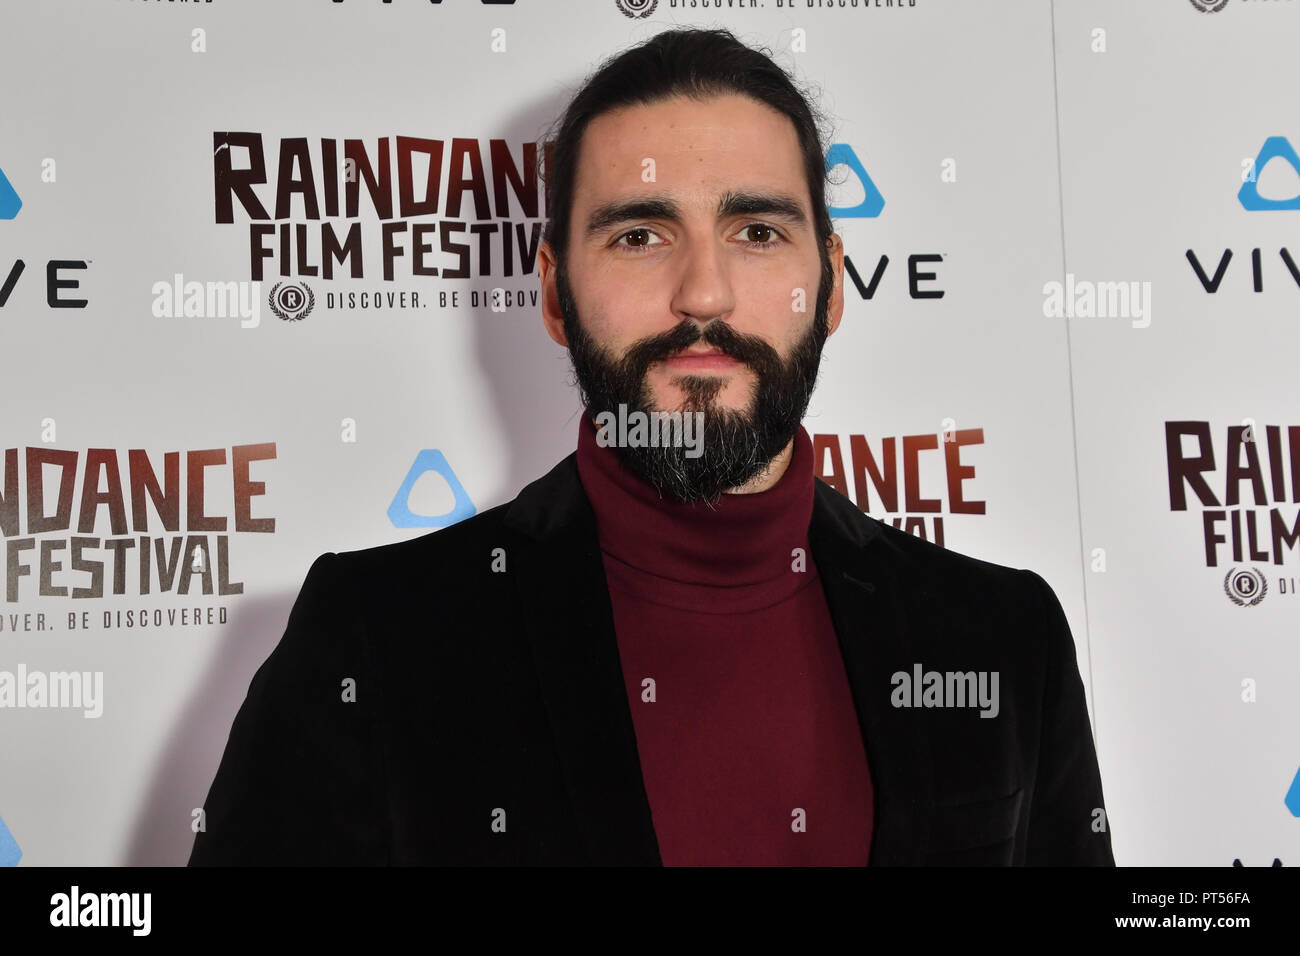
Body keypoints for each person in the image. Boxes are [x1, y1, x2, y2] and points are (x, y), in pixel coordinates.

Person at [189, 27, 1114, 866]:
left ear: (830, 284)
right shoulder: (376, 638)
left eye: (757, 232)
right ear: (555, 294)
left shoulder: (1003, 636)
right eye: (640, 235)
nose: (703, 294)